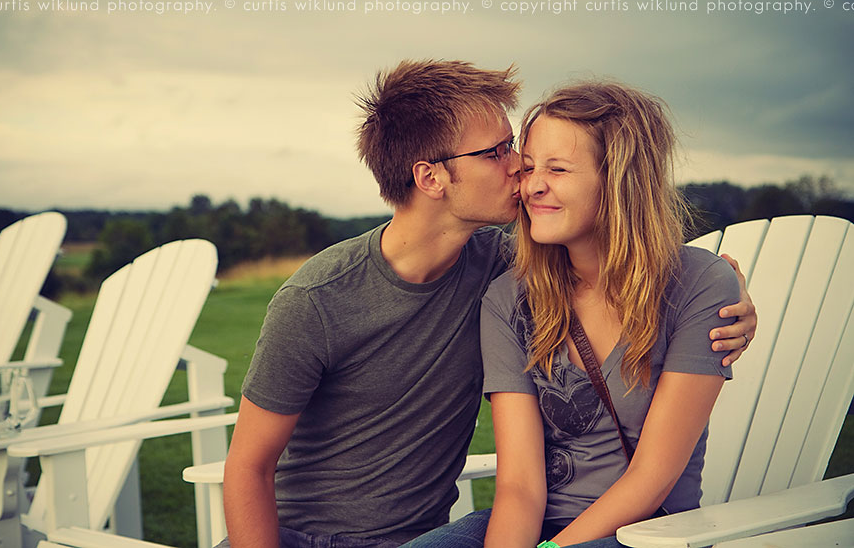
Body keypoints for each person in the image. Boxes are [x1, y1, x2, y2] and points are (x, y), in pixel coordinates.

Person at [220, 62, 756, 548]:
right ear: (430, 177)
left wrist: (730, 290)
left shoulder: (505, 268)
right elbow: (247, 466)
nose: (521, 168)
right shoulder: (319, 300)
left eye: (517, 149)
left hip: (457, 536)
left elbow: (648, 271)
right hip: (292, 536)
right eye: (497, 152)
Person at [476, 81, 743, 547]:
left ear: (620, 180)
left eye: (558, 169)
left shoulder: (698, 285)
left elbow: (653, 476)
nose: (533, 185)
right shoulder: (508, 300)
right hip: (534, 525)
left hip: (647, 531)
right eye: (530, 166)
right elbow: (519, 486)